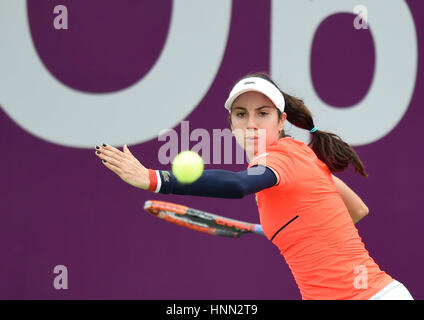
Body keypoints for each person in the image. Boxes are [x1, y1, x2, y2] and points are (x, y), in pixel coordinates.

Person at [94, 72, 413, 300]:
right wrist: (300, 232)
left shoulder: (281, 159)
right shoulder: (304, 155)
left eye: (263, 114)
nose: (251, 124)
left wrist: (156, 179)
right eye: (241, 114)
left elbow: (237, 185)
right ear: (230, 124)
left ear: (281, 120)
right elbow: (357, 209)